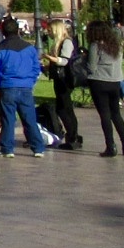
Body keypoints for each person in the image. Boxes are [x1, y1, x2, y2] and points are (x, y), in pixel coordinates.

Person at [0, 18, 48, 157]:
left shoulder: (0, 49)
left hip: (7, 87)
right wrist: (31, 81)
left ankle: (7, 149)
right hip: (25, 86)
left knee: (8, 119)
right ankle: (38, 148)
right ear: (18, 30)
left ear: (3, 32)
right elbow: (36, 67)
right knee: (30, 119)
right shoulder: (29, 48)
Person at [86, 21, 124, 157]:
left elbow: (92, 67)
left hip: (99, 81)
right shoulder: (116, 45)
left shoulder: (95, 45)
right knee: (116, 114)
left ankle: (110, 146)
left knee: (105, 115)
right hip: (115, 81)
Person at [41, 19, 81, 150]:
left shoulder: (66, 42)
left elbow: (64, 61)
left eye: (50, 30)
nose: (48, 33)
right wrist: (47, 67)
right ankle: (73, 136)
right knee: (64, 108)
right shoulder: (57, 43)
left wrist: (47, 57)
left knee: (64, 108)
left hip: (65, 79)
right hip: (58, 79)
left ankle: (73, 136)